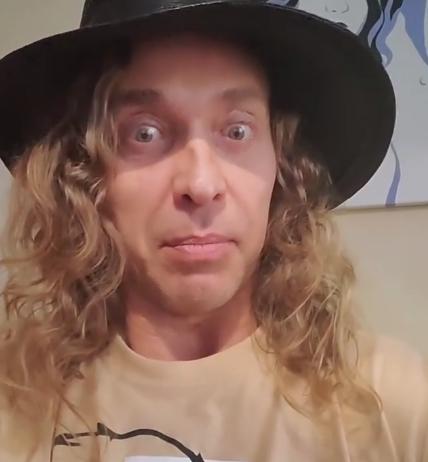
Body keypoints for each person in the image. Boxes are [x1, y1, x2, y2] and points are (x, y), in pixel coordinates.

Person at [0, 1, 426, 461]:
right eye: (144, 133)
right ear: (85, 177)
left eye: (237, 131)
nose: (201, 185)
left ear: (281, 169)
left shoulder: (397, 407)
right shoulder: (14, 402)